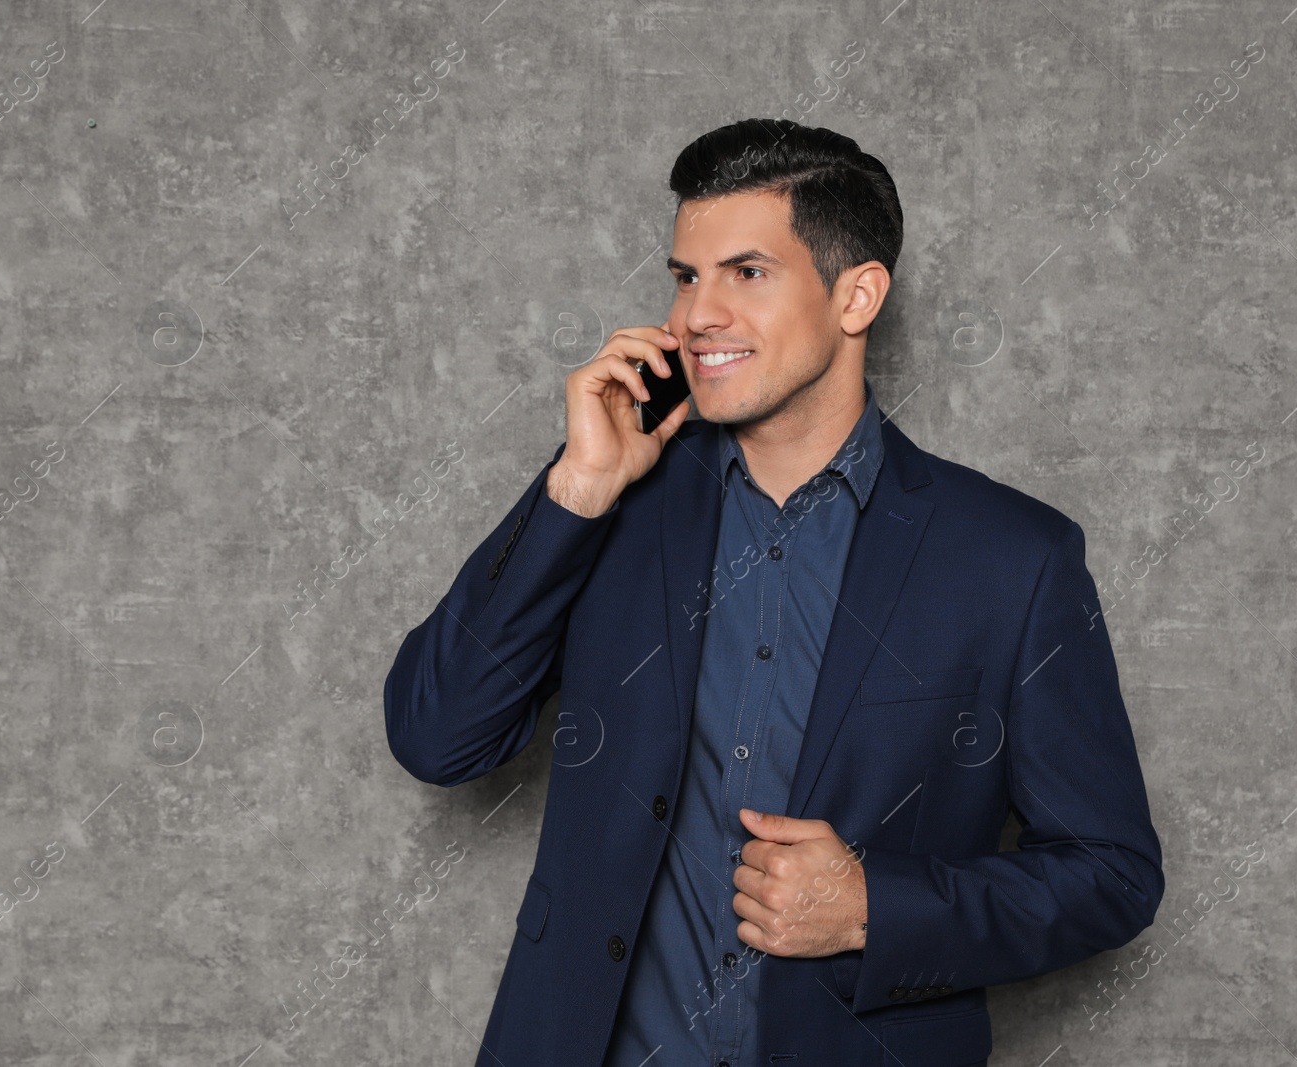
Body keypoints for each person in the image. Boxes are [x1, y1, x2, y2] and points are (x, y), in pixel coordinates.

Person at [383, 118, 1164, 1067]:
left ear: (856, 295)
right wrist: (575, 494)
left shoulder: (1013, 558)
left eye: (744, 273)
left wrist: (878, 906)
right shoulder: (609, 497)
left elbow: (1111, 873)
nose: (696, 315)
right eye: (684, 276)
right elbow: (437, 735)